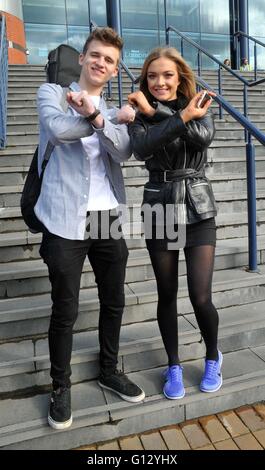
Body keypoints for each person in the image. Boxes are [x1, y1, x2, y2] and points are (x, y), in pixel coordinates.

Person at [36, 27, 145, 431]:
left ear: (115, 70)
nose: (101, 63)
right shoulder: (51, 94)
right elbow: (60, 131)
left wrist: (100, 115)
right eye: (95, 55)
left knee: (113, 300)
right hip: (65, 218)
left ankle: (109, 369)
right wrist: (104, 119)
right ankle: (60, 387)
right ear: (82, 58)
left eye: (110, 60)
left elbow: (123, 150)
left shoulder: (116, 109)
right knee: (65, 308)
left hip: (107, 218)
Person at [127, 46, 223, 400]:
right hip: (160, 206)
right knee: (167, 294)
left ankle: (213, 356)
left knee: (200, 296)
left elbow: (202, 137)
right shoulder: (138, 113)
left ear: (180, 76)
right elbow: (143, 147)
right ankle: (174, 365)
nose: (159, 81)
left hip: (198, 206)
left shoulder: (199, 102)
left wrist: (161, 112)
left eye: (167, 75)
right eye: (152, 76)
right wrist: (164, 116)